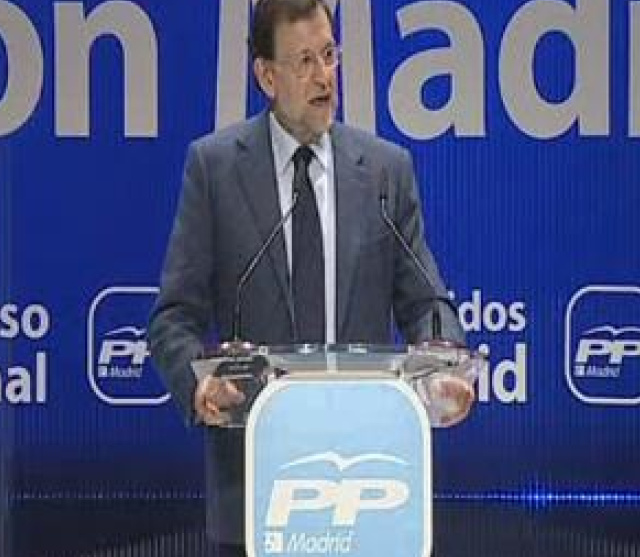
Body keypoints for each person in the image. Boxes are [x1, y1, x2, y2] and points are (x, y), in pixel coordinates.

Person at [147, 0, 473, 554]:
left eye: (329, 55)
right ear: (266, 76)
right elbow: (173, 317)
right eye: (304, 61)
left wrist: (443, 362)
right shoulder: (215, 169)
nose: (324, 76)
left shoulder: (384, 171)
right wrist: (198, 384)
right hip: (254, 485)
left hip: (366, 479)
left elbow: (425, 301)